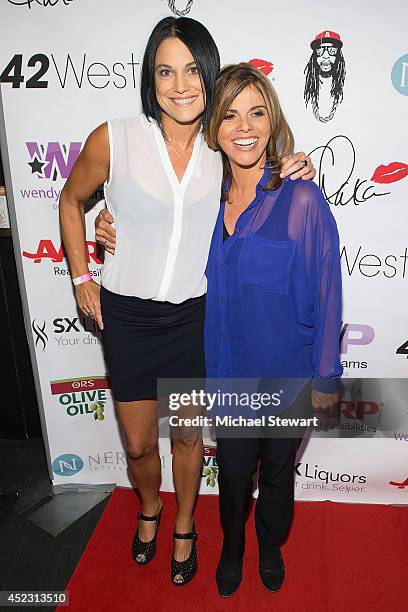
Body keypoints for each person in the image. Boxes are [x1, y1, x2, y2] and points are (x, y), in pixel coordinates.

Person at [63, 16, 315, 586]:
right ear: (150, 79)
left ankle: (182, 522)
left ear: (209, 73)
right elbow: (70, 199)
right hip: (127, 316)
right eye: (165, 71)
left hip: (195, 319)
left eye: (193, 71)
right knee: (135, 442)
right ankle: (149, 508)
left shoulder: (221, 148)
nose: (180, 85)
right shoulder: (116, 137)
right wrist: (82, 276)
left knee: (186, 436)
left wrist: (300, 165)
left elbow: (267, 177)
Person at [203, 62, 342, 596]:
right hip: (228, 378)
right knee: (235, 477)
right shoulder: (200, 206)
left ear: (272, 121)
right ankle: (232, 544)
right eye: (231, 114)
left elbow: (329, 290)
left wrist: (326, 380)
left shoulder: (301, 199)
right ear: (214, 127)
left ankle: (269, 544)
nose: (244, 126)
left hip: (287, 378)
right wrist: (108, 223)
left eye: (257, 112)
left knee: (279, 476)